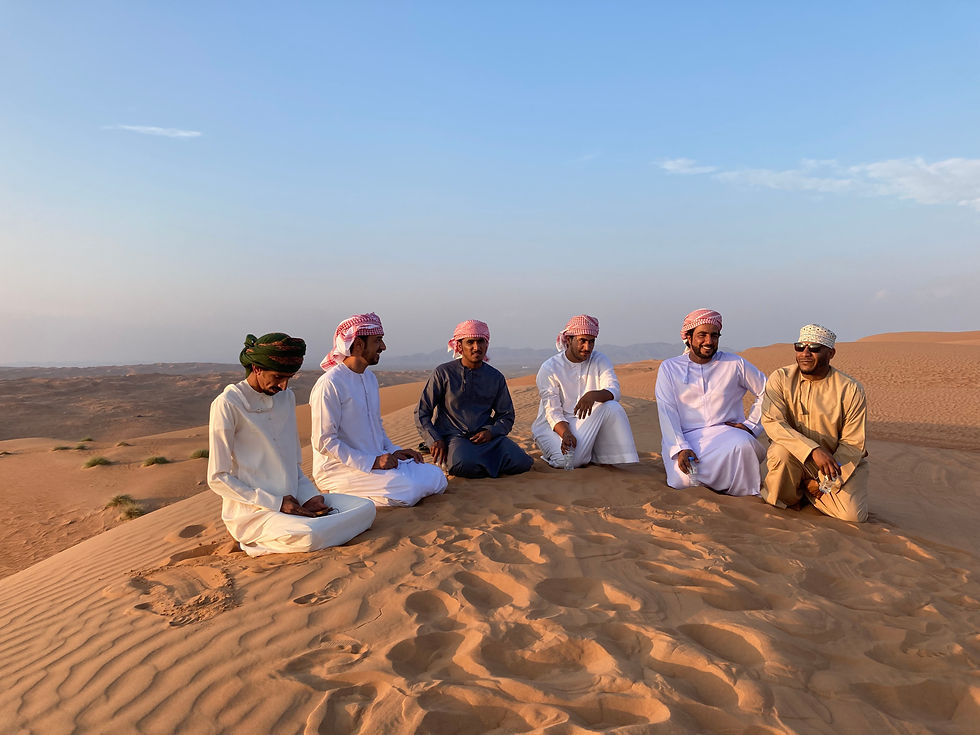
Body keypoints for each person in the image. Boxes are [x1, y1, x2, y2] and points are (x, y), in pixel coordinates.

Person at [208, 333, 375, 557]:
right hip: (255, 512)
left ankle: (301, 532)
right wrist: (276, 503)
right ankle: (252, 543)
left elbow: (292, 462)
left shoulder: (286, 398)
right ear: (257, 368)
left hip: (296, 503)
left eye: (289, 378)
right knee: (309, 534)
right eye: (278, 377)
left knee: (366, 510)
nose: (284, 385)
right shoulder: (227, 404)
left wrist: (309, 496)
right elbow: (217, 478)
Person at [310, 313, 447, 507]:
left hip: (378, 461)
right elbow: (324, 442)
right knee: (409, 490)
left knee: (436, 476)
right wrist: (372, 462)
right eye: (378, 341)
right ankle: (343, 495)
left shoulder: (370, 379)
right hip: (340, 469)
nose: (383, 347)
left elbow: (376, 427)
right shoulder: (330, 384)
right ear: (358, 344)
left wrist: (394, 451)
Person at [761, 324, 869, 522]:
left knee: (853, 516)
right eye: (800, 347)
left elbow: (853, 443)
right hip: (795, 458)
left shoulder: (850, 389)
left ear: (831, 353)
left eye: (814, 349)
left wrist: (824, 482)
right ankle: (793, 494)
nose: (805, 353)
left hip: (835, 463)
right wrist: (812, 450)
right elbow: (773, 422)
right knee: (779, 452)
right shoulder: (781, 378)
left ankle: (809, 491)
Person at [655, 308, 767, 496]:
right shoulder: (670, 368)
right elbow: (667, 411)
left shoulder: (734, 364)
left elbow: (768, 391)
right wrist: (681, 447)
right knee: (682, 481)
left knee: (743, 444)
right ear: (689, 338)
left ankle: (746, 497)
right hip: (686, 437)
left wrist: (752, 426)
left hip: (726, 434)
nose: (709, 341)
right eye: (702, 335)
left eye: (714, 336)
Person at [415, 320, 534, 478]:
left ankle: (478, 462)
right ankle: (455, 459)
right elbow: (422, 411)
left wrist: (491, 432)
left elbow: (506, 415)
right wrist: (434, 439)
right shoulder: (443, 373)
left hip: (487, 438)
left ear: (487, 344)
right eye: (470, 342)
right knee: (463, 464)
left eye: (481, 342)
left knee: (523, 463)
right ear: (459, 346)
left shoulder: (495, 377)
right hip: (454, 437)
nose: (476, 347)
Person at [532, 314, 639, 468]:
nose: (587, 347)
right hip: (554, 426)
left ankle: (602, 456)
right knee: (568, 461)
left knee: (612, 407)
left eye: (591, 342)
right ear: (569, 340)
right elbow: (553, 412)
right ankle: (551, 455)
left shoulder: (600, 360)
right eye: (582, 341)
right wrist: (566, 434)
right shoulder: (550, 368)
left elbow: (614, 390)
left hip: (584, 421)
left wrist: (593, 395)